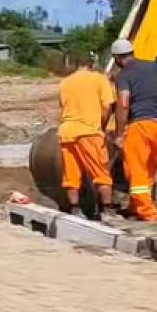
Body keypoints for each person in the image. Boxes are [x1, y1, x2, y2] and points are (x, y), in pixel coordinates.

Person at [110, 39, 157, 222]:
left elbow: (123, 104)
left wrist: (119, 133)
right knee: (148, 170)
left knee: (136, 169)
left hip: (140, 125)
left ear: (116, 57)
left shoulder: (124, 75)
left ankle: (149, 215)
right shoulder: (155, 68)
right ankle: (136, 207)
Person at [57, 58, 116, 214]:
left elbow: (64, 107)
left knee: (71, 176)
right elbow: (107, 107)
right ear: (92, 66)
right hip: (89, 132)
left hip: (66, 133)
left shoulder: (65, 82)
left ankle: (75, 210)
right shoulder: (100, 79)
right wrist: (102, 126)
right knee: (101, 174)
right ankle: (107, 210)